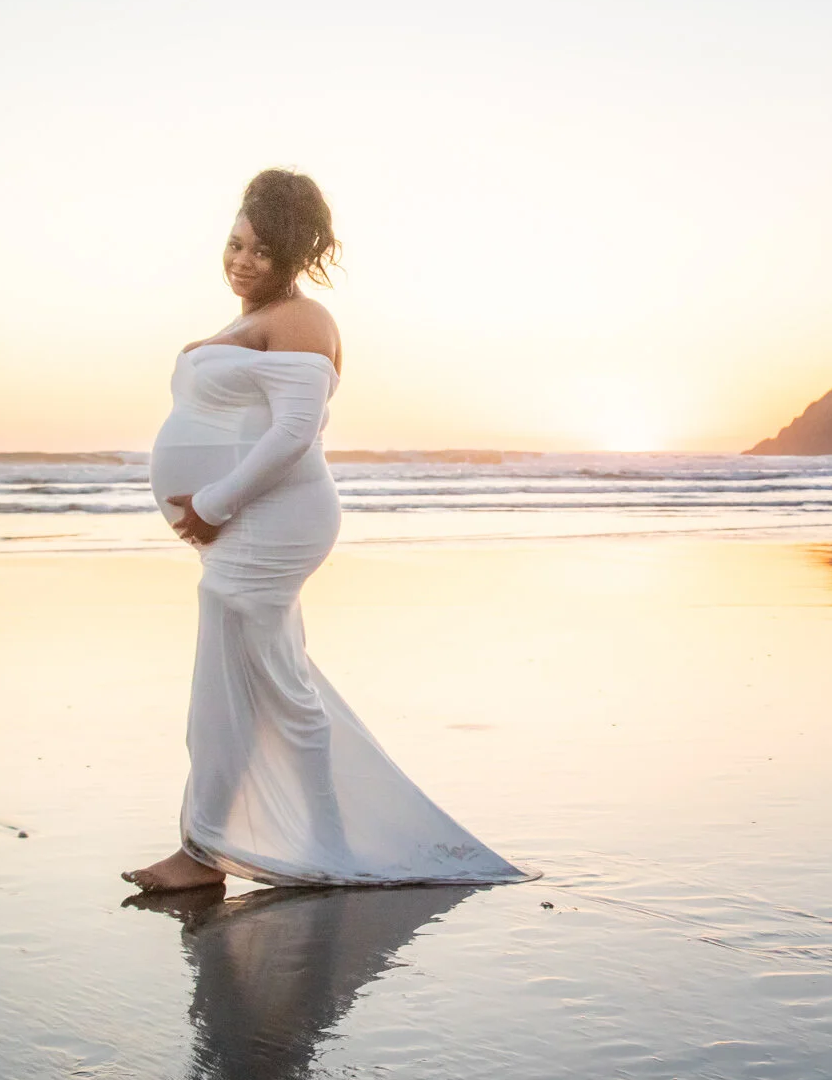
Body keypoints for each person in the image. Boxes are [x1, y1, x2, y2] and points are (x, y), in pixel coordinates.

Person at [123, 169, 534, 891]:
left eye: (263, 250)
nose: (243, 261)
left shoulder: (304, 319)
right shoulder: (252, 321)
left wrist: (212, 503)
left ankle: (208, 853)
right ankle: (317, 839)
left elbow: (293, 433)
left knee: (228, 689)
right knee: (278, 683)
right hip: (254, 518)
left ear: (294, 254)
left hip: (272, 517)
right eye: (236, 243)